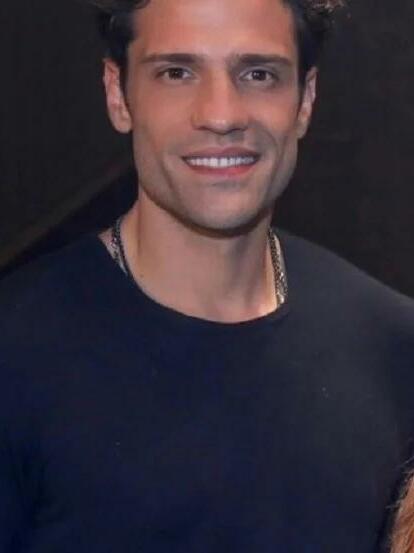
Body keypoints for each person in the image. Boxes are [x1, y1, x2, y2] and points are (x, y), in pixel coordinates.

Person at [1, 0, 414, 551]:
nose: (221, 114)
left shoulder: (393, 348)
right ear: (118, 94)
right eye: (177, 72)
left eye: (258, 74)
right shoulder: (16, 352)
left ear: (306, 100)